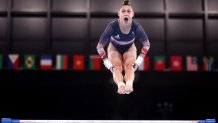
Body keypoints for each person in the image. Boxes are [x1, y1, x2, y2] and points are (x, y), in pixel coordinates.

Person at [96, 0, 150, 94]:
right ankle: (120, 85)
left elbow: (147, 44)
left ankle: (129, 83)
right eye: (123, 11)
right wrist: (106, 62)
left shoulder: (136, 27)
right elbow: (99, 46)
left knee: (130, 66)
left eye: (129, 11)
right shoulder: (112, 26)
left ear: (132, 14)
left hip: (129, 47)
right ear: (119, 14)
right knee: (116, 66)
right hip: (114, 48)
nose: (126, 13)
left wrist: (139, 60)